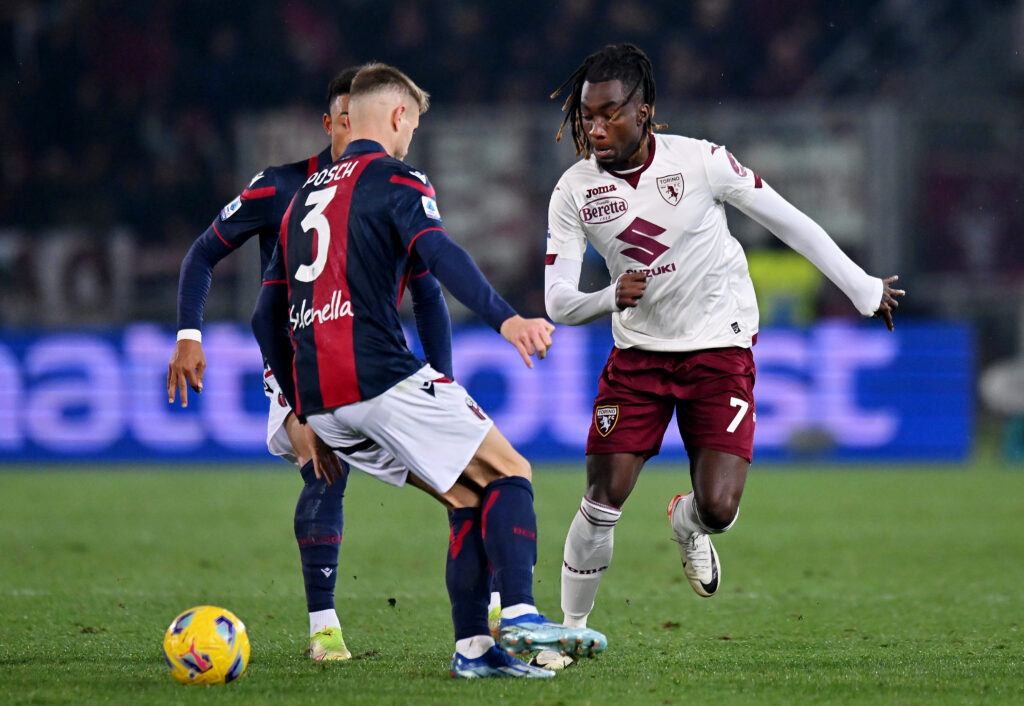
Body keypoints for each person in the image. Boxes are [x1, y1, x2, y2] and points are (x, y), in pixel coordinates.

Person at [251, 62, 607, 678]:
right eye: (412, 125)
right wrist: (505, 319)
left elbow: (265, 317)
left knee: (467, 495)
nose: (410, 137)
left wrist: (304, 410)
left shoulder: (300, 197)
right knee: (512, 471)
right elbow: (438, 253)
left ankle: (474, 650)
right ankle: (520, 613)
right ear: (397, 116)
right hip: (379, 377)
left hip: (323, 404)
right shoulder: (397, 178)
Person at [544, 44, 905, 629]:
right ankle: (571, 632)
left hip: (719, 348)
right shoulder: (573, 190)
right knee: (602, 500)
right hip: (638, 357)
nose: (596, 129)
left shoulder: (701, 162)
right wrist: (609, 297)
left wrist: (861, 287)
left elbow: (788, 220)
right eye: (588, 116)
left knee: (718, 507)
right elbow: (557, 301)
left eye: (610, 114)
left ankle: (687, 524)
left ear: (644, 111)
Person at [167, 68, 454, 661]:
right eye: (344, 118)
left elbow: (428, 294)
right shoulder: (281, 186)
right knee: (324, 466)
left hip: (375, 359)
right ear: (329, 123)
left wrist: (445, 381)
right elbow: (203, 254)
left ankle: (497, 610)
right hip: (298, 358)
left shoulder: (393, 185)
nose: (356, 127)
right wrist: (189, 333)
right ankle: (325, 631)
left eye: (362, 116)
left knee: (457, 473)